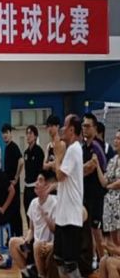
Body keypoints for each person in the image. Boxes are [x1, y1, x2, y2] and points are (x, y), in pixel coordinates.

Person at [52, 114, 84, 278]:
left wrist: (57, 156)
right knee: (59, 259)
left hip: (71, 216)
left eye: (64, 126)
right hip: (63, 216)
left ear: (71, 130)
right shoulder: (71, 149)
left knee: (70, 264)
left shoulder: (74, 149)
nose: (62, 129)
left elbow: (60, 175)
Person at [8, 172, 57, 278]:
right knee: (13, 242)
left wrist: (46, 216)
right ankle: (27, 273)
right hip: (34, 243)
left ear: (47, 185)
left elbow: (56, 230)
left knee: (37, 245)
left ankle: (41, 275)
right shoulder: (33, 203)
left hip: (47, 244)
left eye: (40, 180)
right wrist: (27, 239)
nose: (36, 183)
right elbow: (31, 229)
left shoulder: (54, 202)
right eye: (36, 180)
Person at [83, 112, 108, 266]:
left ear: (94, 128)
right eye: (83, 126)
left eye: (87, 126)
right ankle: (92, 258)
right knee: (88, 229)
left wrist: (76, 171)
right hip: (86, 194)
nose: (85, 129)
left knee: (96, 230)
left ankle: (103, 260)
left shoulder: (97, 146)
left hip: (98, 195)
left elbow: (89, 168)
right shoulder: (83, 147)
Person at [94, 129, 120, 246]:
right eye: (115, 138)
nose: (116, 141)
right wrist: (97, 165)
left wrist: (110, 186)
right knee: (113, 240)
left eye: (118, 139)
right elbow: (104, 182)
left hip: (118, 202)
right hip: (110, 203)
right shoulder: (112, 160)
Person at [2, 123, 24, 237]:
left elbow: (21, 161)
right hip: (8, 185)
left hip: (13, 185)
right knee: (10, 211)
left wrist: (16, 177)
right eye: (3, 133)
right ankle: (12, 236)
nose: (5, 135)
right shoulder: (7, 148)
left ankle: (19, 236)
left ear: (11, 133)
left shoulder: (14, 147)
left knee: (15, 211)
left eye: (7, 132)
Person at [24, 125, 46, 215]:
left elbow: (41, 171)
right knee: (27, 212)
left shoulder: (39, 151)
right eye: (27, 133)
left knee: (36, 214)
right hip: (27, 187)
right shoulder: (26, 153)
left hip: (35, 187)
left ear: (35, 136)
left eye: (30, 133)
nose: (28, 136)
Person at [44, 114, 65, 190]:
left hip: (59, 183)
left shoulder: (62, 144)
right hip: (49, 182)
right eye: (48, 126)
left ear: (57, 126)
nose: (50, 129)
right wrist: (52, 164)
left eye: (52, 126)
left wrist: (50, 164)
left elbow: (61, 164)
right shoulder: (49, 146)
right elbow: (44, 165)